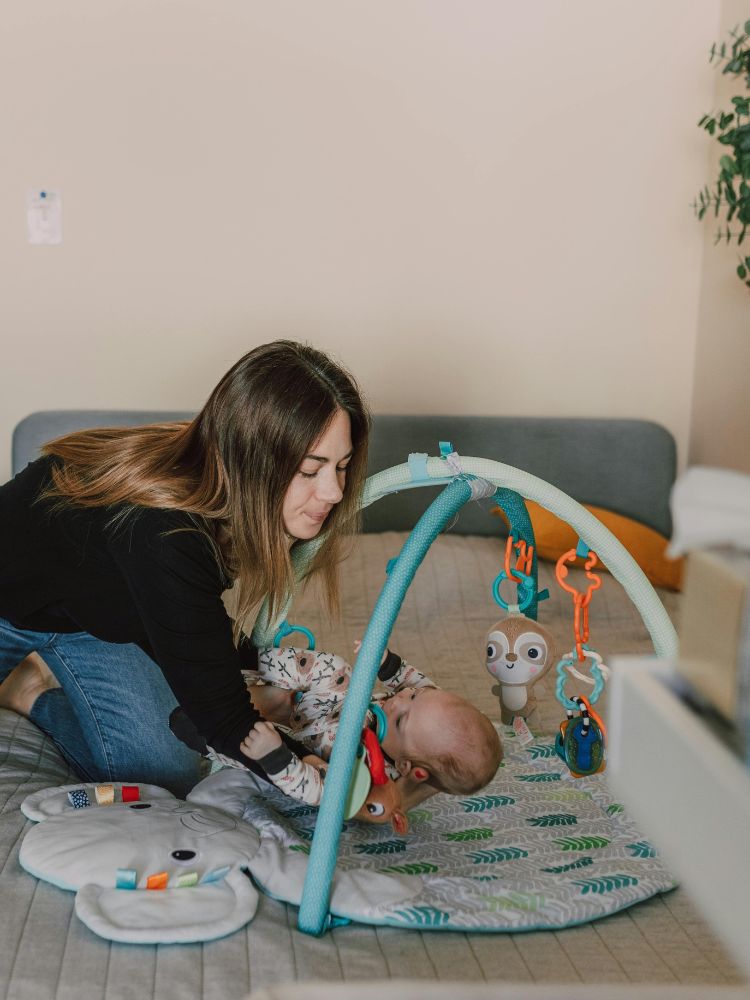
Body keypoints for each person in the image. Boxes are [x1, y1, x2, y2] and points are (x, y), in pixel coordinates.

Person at [0, 341, 370, 796]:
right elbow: (224, 719)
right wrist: (308, 772)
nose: (333, 493)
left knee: (163, 771)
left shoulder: (219, 488)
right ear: (250, 461)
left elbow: (194, 629)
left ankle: (27, 691)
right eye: (310, 471)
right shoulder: (166, 533)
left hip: (89, 619)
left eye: (342, 466)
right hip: (9, 601)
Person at [171, 643, 502, 809]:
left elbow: (317, 792)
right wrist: (389, 666)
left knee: (271, 754)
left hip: (301, 746)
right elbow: (418, 684)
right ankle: (243, 657)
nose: (398, 700)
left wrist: (276, 759)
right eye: (413, 696)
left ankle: (208, 735)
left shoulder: (373, 778)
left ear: (404, 764)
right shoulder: (428, 712)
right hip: (328, 707)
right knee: (336, 669)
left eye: (401, 718)